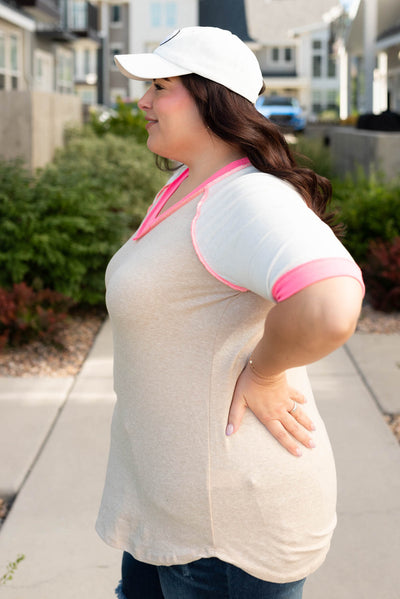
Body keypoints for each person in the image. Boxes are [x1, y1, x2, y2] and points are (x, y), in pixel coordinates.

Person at [96, 26, 364, 599]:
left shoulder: (246, 198)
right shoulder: (188, 185)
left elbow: (331, 303)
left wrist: (264, 370)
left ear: (211, 97)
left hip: (225, 537)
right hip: (169, 508)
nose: (142, 100)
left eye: (160, 85)